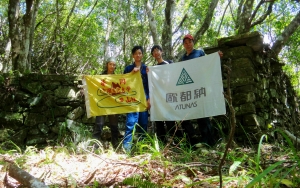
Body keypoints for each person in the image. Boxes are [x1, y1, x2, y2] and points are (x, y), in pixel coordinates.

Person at [179, 34, 223, 146]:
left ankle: (209, 141)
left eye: (190, 42)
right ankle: (195, 140)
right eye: (185, 43)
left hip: (200, 88)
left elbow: (208, 63)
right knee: (188, 116)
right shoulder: (183, 58)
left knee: (203, 115)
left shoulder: (199, 53)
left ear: (193, 42)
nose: (188, 44)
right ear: (183, 45)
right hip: (190, 90)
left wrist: (216, 56)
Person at [150, 45, 183, 144]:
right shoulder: (153, 68)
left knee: (170, 120)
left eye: (157, 50)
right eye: (154, 52)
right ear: (153, 55)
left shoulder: (169, 64)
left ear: (161, 52)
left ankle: (177, 142)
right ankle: (161, 142)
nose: (156, 53)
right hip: (158, 97)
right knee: (159, 120)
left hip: (170, 96)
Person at [123, 45, 151, 153]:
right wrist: (131, 74)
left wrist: (149, 99)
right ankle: (127, 149)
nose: (138, 55)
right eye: (136, 53)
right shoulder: (128, 68)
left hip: (144, 98)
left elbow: (150, 85)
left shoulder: (147, 68)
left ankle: (141, 148)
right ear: (133, 56)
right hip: (132, 98)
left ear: (142, 55)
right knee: (130, 122)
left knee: (143, 123)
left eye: (140, 53)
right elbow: (123, 82)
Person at [93, 57, 120, 149]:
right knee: (99, 125)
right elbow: (94, 85)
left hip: (113, 104)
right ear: (107, 65)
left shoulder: (117, 78)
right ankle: (94, 145)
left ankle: (115, 144)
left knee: (114, 126)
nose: (112, 66)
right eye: (110, 64)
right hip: (102, 104)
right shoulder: (100, 77)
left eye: (114, 65)